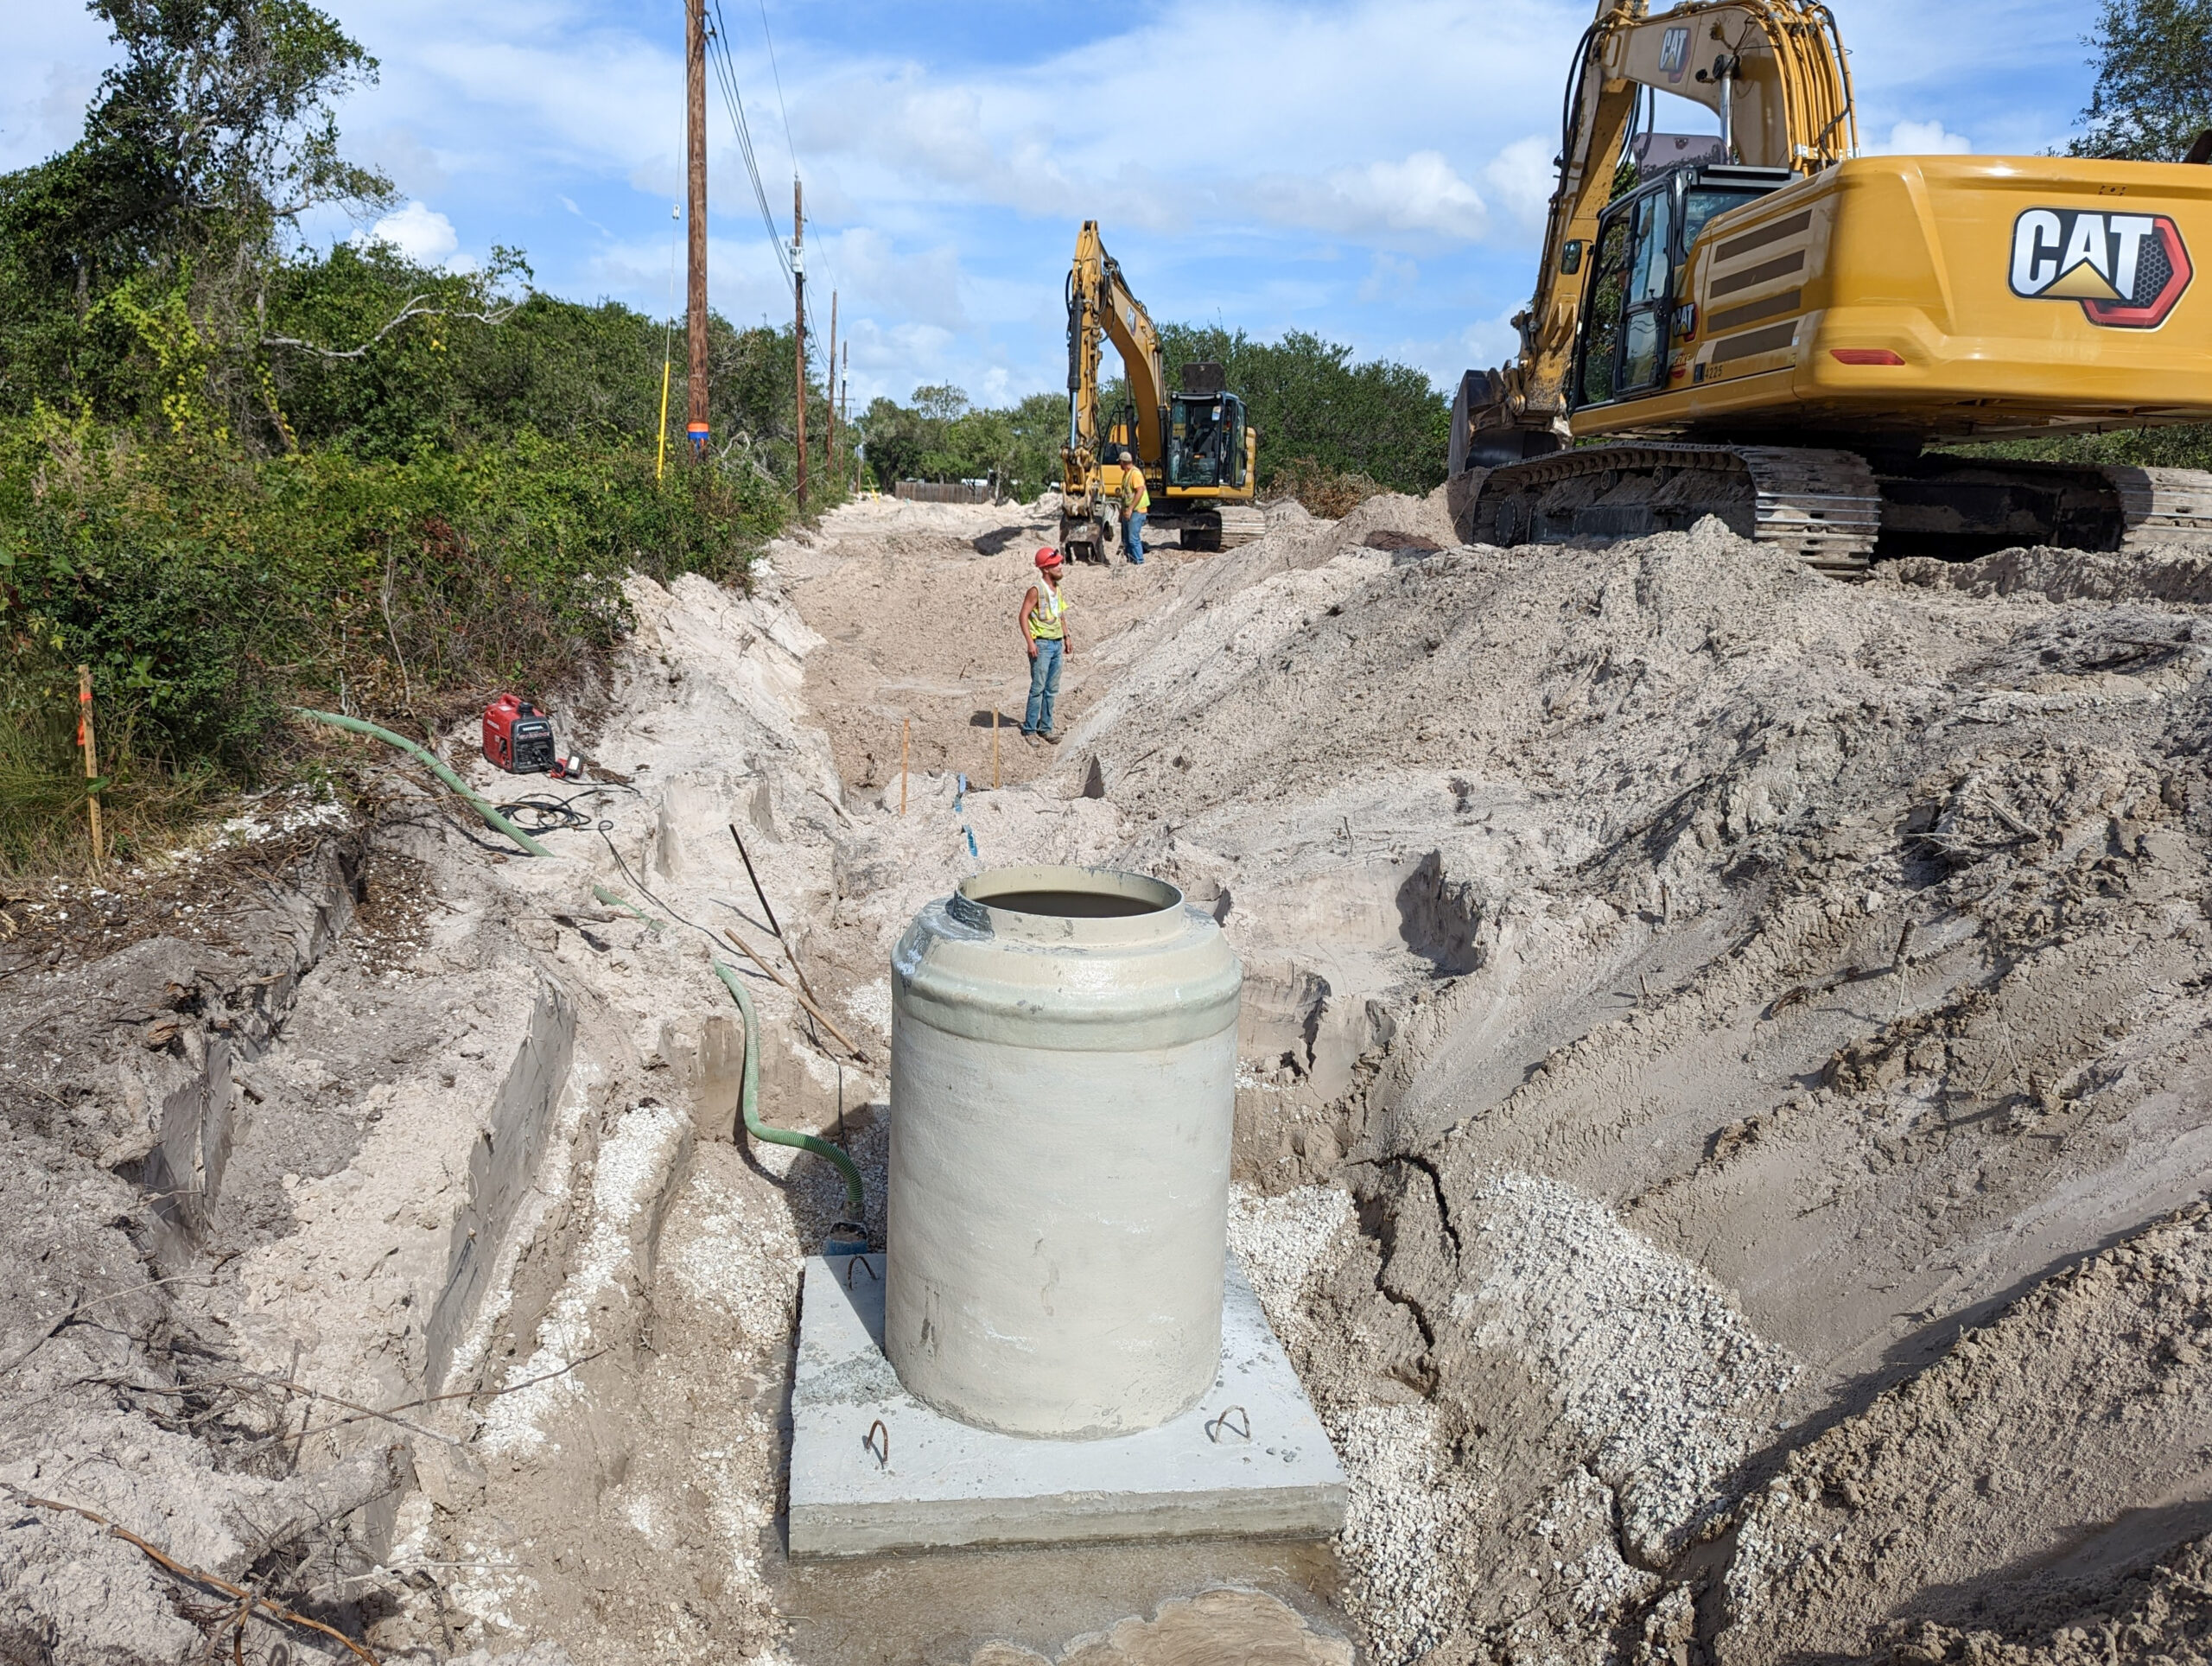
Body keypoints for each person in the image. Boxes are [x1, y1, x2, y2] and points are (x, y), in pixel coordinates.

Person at [1018, 545, 1071, 741]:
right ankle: (1030, 729)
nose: (1060, 567)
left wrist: (1066, 637)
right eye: (1056, 564)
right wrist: (1031, 643)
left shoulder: (1057, 588)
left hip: (1056, 643)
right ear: (1046, 569)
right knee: (1038, 688)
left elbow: (1060, 614)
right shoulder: (1036, 590)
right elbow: (1023, 616)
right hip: (1042, 645)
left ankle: (1046, 727)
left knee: (1052, 689)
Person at [1118, 451, 1149, 564]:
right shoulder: (1127, 474)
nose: (1119, 465)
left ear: (1123, 462)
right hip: (1129, 511)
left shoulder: (1135, 474)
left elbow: (1139, 491)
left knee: (1133, 538)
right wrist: (1122, 511)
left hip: (1137, 511)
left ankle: (1139, 562)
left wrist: (1130, 508)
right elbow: (1125, 495)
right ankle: (1131, 561)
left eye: (1120, 463)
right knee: (1127, 539)